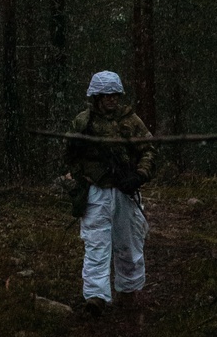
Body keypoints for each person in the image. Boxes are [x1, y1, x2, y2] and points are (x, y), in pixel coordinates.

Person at [65, 70, 153, 314]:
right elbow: (71, 156)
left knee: (129, 242)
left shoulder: (131, 121)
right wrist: (83, 176)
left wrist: (139, 175)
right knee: (96, 243)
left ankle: (128, 290)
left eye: (114, 95)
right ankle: (96, 296)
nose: (111, 100)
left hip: (125, 191)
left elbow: (149, 150)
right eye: (106, 95)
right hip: (97, 191)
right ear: (97, 97)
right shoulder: (83, 122)